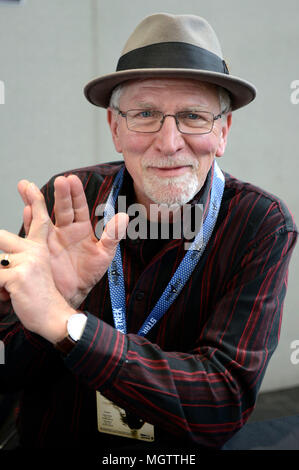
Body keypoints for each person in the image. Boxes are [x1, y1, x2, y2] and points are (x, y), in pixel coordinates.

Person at [0, 13, 297, 452]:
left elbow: (223, 402)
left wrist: (66, 323)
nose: (169, 141)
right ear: (115, 127)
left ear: (223, 131)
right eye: (145, 114)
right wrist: (44, 311)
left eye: (194, 116)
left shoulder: (260, 223)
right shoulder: (67, 201)